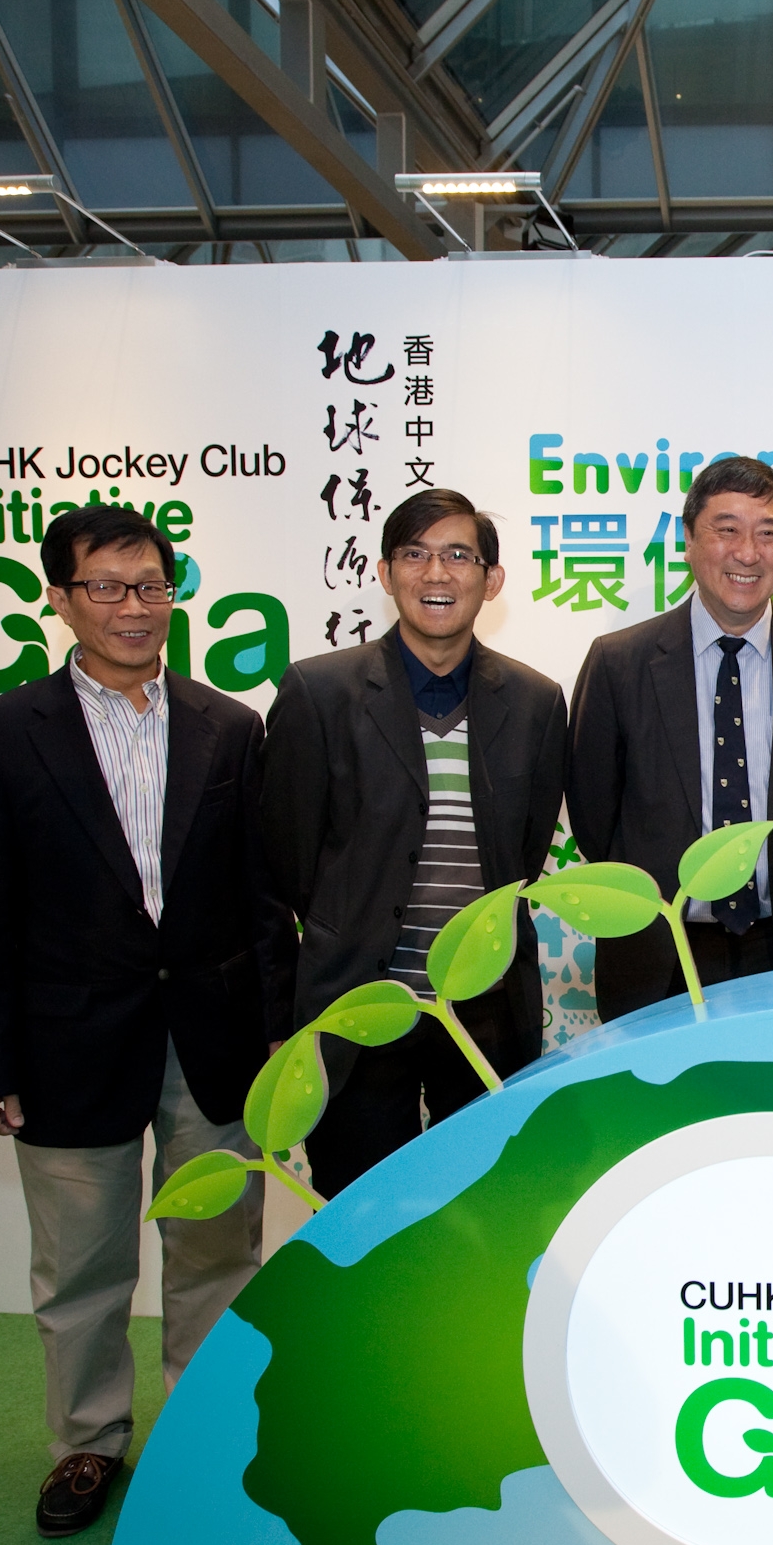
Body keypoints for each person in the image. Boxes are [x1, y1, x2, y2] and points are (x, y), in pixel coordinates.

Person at [0, 502, 295, 1541]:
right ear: (60, 599)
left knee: (215, 1248)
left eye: (151, 586)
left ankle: (200, 1434)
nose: (133, 608)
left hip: (214, 1037)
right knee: (83, 1262)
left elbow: (262, 895)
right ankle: (90, 1442)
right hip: (66, 1042)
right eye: (107, 587)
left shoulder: (231, 725)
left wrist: (278, 1028)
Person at [259, 489, 566, 1195]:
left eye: (459, 555)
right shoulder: (319, 692)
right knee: (360, 1218)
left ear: (492, 579)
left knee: (482, 1210)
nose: (438, 573)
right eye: (417, 554)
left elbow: (520, 855)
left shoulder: (536, 702)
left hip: (486, 1013)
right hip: (358, 1010)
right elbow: (289, 862)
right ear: (385, 571)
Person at [566, 455, 773, 1019]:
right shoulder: (619, 662)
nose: (747, 553)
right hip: (657, 955)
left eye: (768, 533)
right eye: (726, 529)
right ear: (688, 540)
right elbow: (592, 816)